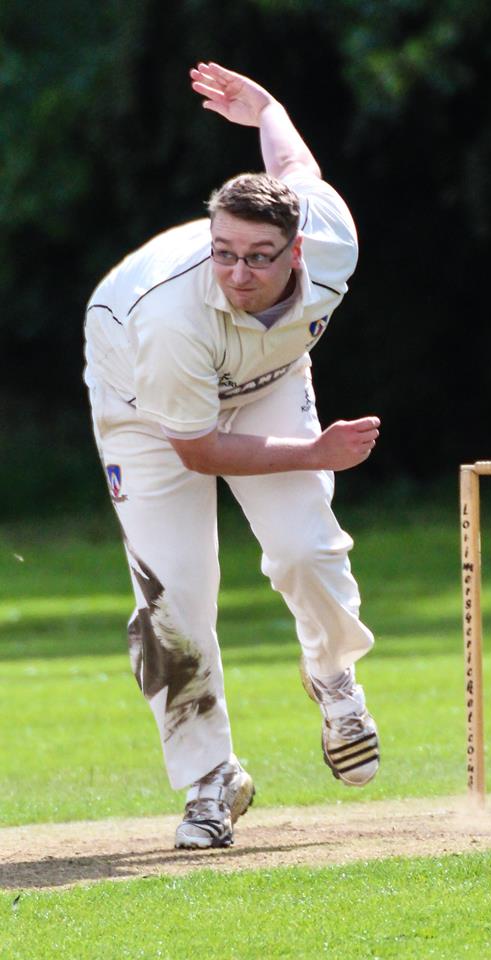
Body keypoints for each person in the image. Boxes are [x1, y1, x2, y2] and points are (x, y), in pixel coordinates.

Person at [84, 61, 380, 850]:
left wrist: (270, 107)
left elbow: (296, 168)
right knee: (172, 602)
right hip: (149, 406)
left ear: (297, 250)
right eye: (223, 253)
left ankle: (333, 677)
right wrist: (315, 451)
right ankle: (212, 780)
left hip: (268, 378)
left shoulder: (333, 237)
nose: (238, 273)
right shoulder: (174, 316)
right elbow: (199, 446)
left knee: (305, 548)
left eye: (257, 256)